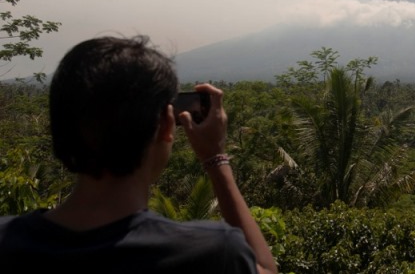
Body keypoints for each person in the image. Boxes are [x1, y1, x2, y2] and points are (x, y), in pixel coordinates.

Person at [0, 35, 278, 273]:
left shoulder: (8, 241)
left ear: (58, 126)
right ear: (167, 125)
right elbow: (265, 268)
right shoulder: (210, 254)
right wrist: (215, 156)